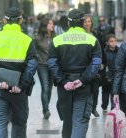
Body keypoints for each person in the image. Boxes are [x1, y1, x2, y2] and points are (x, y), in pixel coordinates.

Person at [0, 7, 38, 138]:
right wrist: (22, 84)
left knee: (0, 122)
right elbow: (32, 65)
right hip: (19, 92)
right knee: (19, 123)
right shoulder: (27, 40)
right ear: (21, 20)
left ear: (4, 20)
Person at [48, 9, 102, 138]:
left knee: (67, 122)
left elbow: (52, 62)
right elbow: (96, 63)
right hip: (84, 87)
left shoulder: (57, 40)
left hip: (64, 87)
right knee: (80, 121)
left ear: (68, 23)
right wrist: (83, 80)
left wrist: (62, 81)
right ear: (83, 22)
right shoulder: (92, 40)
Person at [35, 17, 55, 119]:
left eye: (52, 24)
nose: (52, 25)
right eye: (50, 23)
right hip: (42, 65)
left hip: (52, 66)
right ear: (45, 25)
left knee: (50, 89)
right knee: (45, 87)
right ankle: (46, 110)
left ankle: (46, 108)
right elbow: (33, 52)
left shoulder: (55, 38)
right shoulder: (38, 38)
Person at [83, 14, 100, 117]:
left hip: (94, 63)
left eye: (89, 21)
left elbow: (100, 49)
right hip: (85, 64)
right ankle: (88, 108)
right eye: (85, 22)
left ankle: (94, 108)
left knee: (96, 89)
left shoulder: (95, 34)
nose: (87, 23)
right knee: (87, 89)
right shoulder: (81, 35)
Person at [101, 34, 118, 111]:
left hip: (116, 75)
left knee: (114, 92)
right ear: (107, 43)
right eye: (111, 41)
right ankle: (104, 105)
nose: (113, 43)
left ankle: (113, 108)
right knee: (105, 92)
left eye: (114, 41)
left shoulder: (119, 51)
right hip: (106, 76)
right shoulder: (104, 52)